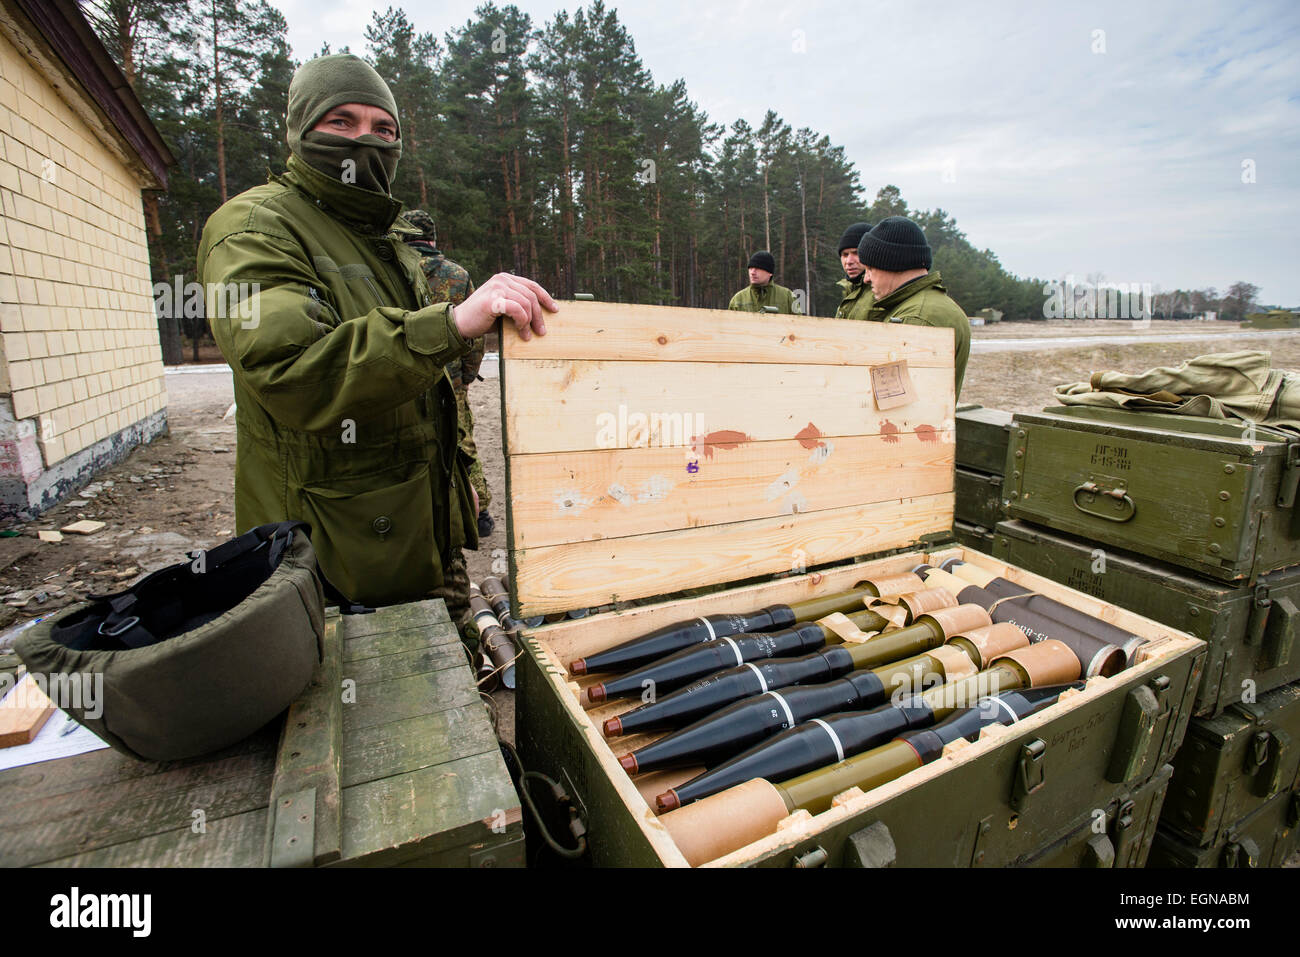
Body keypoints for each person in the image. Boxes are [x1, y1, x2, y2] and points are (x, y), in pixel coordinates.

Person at [197, 54, 556, 640]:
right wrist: (451, 323)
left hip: (417, 533)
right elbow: (291, 369)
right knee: (369, 706)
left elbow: (427, 388)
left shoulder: (380, 237)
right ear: (299, 128)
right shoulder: (256, 228)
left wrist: (455, 475)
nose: (366, 140)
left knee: (449, 684)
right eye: (342, 122)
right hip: (334, 558)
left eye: (383, 129)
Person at [401, 210, 494, 539]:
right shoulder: (456, 274)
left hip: (403, 377)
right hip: (450, 378)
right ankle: (479, 513)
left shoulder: (394, 269)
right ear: (432, 239)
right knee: (461, 441)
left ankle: (420, 514)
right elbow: (477, 336)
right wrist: (467, 376)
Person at [857, 216, 970, 398]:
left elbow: (893, 400)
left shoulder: (916, 318)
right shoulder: (931, 306)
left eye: (871, 269)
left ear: (892, 263)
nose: (866, 278)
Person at [727, 251, 802, 314]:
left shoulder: (788, 297)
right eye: (750, 268)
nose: (752, 272)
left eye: (757, 268)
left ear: (770, 272)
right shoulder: (738, 299)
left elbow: (799, 325)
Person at [833, 221, 873, 320]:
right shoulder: (848, 291)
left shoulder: (882, 292)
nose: (849, 261)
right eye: (845, 254)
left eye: (856, 253)